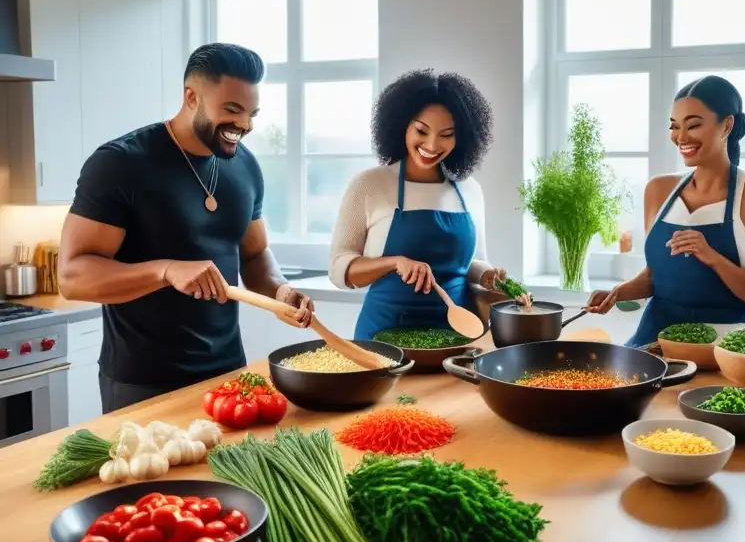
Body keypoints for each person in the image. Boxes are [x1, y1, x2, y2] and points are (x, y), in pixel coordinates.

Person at [59, 43, 312, 413]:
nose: (244, 125)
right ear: (191, 97)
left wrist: (281, 292)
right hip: (143, 383)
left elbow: (255, 254)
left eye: (251, 113)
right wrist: (166, 269)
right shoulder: (121, 164)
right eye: (232, 109)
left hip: (229, 376)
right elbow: (72, 276)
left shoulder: (245, 167)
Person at [586, 75, 745, 347]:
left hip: (729, 342)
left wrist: (712, 257)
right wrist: (616, 293)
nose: (681, 137)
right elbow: (654, 276)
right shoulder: (659, 190)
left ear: (726, 125)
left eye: (693, 125)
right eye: (674, 127)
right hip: (657, 338)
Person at [329, 69, 507, 340]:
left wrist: (489, 276)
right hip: (383, 335)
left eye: (446, 134)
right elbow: (340, 270)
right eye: (422, 130)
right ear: (402, 125)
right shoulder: (370, 185)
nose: (432, 144)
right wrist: (394, 263)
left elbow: (473, 263)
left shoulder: (469, 190)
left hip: (458, 334)